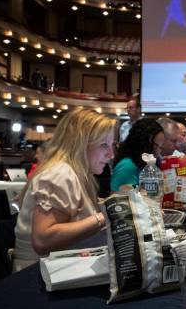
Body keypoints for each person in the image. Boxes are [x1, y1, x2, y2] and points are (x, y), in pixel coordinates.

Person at [13, 109, 116, 272]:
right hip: (35, 277)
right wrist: (106, 215)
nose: (111, 155)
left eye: (112, 145)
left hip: (55, 270)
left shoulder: (74, 174)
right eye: (104, 145)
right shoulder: (60, 175)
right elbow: (42, 241)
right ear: (80, 143)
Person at [111, 119, 164, 192]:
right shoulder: (128, 166)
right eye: (154, 146)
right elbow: (123, 200)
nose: (157, 152)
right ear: (141, 142)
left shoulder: (144, 165)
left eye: (160, 147)